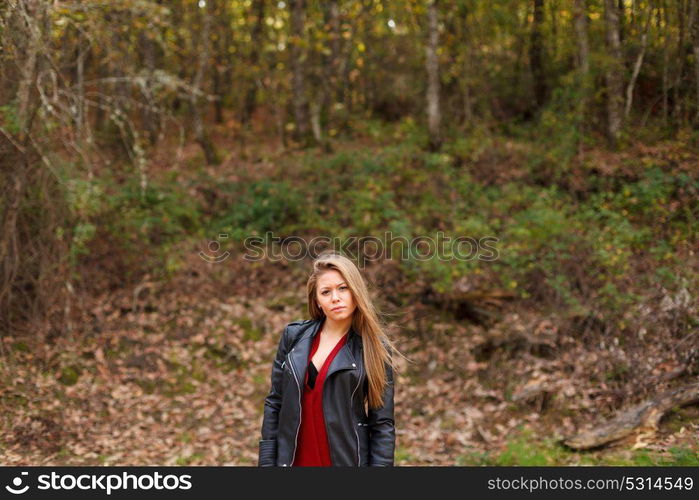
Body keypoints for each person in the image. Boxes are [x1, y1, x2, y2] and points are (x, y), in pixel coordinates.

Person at [258, 251, 402, 466]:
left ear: (356, 292)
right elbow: (275, 403)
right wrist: (267, 462)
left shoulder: (373, 348)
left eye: (343, 288)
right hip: (292, 460)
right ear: (317, 301)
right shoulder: (294, 337)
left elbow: (381, 424)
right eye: (326, 292)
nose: (335, 298)